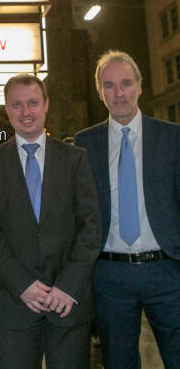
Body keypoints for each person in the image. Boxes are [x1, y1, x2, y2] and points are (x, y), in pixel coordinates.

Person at [0, 74, 101, 369]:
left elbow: (91, 226)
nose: (26, 112)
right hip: (16, 304)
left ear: (46, 105)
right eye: (16, 105)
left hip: (68, 303)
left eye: (33, 102)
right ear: (7, 110)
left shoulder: (75, 159)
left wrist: (68, 285)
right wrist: (22, 284)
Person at [75, 50, 180, 369]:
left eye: (125, 83)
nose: (118, 93)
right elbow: (78, 211)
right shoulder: (84, 143)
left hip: (167, 271)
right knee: (118, 362)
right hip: (110, 276)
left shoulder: (172, 137)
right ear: (99, 91)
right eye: (109, 85)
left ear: (140, 86)